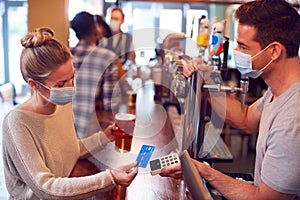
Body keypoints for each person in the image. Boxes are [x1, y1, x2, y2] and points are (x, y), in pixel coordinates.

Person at [161, 0, 300, 199]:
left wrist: (203, 172)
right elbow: (245, 119)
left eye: (243, 47)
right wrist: (207, 82)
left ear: (274, 51)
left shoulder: (293, 117)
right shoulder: (277, 92)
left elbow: (265, 198)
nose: (237, 53)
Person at [2, 27, 138, 199]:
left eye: (72, 78)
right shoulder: (17, 123)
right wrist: (109, 177)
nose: (70, 88)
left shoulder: (61, 105)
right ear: (34, 85)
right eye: (60, 85)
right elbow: (45, 187)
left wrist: (105, 136)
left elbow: (70, 150)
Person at [70, 11, 121, 138]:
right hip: (90, 137)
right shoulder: (107, 57)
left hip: (64, 134)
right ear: (96, 29)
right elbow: (111, 103)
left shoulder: (65, 55)